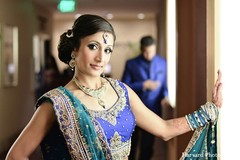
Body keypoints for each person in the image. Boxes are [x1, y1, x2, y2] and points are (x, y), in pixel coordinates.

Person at [5, 14, 222, 160]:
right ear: (74, 51)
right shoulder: (57, 103)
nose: (101, 57)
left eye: (108, 50)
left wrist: (209, 111)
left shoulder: (121, 91)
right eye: (93, 46)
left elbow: (164, 130)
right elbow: (15, 155)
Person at [122, 35, 170, 160]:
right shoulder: (131, 63)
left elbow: (164, 83)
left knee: (148, 146)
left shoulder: (162, 62)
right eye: (147, 52)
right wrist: (143, 85)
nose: (149, 54)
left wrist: (165, 95)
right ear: (142, 49)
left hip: (153, 110)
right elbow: (124, 86)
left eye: (152, 51)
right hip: (133, 110)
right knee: (132, 144)